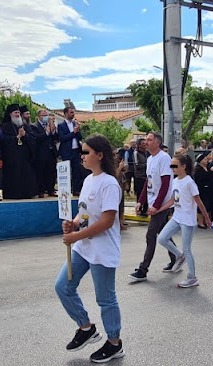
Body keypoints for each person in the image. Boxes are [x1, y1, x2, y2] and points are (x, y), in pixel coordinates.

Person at [55, 134, 125, 363]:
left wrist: (76, 235)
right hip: (84, 247)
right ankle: (86, 328)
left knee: (105, 299)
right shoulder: (88, 180)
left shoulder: (109, 184)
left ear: (100, 155)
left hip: (102, 250)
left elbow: (106, 221)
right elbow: (84, 213)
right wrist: (74, 223)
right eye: (82, 152)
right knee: (63, 286)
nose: (82, 156)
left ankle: (114, 343)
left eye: (86, 152)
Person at [156, 154, 212, 288]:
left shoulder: (189, 182)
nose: (172, 168)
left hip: (188, 220)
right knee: (162, 238)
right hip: (177, 217)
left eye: (174, 165)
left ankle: (192, 278)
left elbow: (199, 202)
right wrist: (159, 209)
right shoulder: (175, 181)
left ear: (183, 166)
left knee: (187, 249)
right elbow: (172, 200)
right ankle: (179, 256)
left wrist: (207, 219)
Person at [128, 132, 177, 281]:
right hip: (153, 202)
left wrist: (156, 206)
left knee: (151, 235)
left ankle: (143, 269)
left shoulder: (164, 158)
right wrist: (140, 201)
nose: (146, 142)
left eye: (149, 140)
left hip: (162, 204)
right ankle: (176, 256)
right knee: (164, 233)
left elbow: (166, 183)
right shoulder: (150, 159)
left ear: (157, 142)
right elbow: (147, 183)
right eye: (146, 140)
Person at [0, 104, 37, 199]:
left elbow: (33, 140)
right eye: (15, 113)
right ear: (10, 114)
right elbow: (4, 141)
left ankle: (27, 193)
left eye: (19, 113)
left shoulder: (25, 126)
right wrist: (17, 137)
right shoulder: (5, 126)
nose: (17, 115)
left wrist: (25, 135)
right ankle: (12, 194)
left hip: (24, 157)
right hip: (12, 158)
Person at [31, 109, 59, 198]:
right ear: (39, 116)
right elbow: (36, 138)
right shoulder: (34, 126)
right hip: (40, 153)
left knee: (51, 172)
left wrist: (53, 130)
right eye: (43, 115)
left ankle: (51, 189)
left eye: (46, 115)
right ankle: (41, 190)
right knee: (41, 172)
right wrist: (46, 133)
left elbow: (56, 138)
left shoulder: (50, 125)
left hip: (51, 152)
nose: (46, 117)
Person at [58, 107, 84, 195]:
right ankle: (66, 190)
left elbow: (80, 137)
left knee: (77, 171)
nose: (73, 114)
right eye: (71, 112)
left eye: (73, 112)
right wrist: (73, 133)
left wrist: (77, 131)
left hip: (76, 151)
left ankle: (76, 190)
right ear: (65, 114)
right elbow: (62, 138)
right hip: (67, 152)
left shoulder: (75, 124)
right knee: (67, 172)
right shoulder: (61, 125)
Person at [194, 151, 212, 228]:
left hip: (208, 189)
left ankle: (206, 221)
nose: (206, 161)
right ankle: (200, 222)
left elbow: (210, 177)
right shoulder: (198, 170)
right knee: (201, 206)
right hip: (201, 189)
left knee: (207, 205)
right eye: (204, 159)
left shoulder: (208, 168)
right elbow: (199, 179)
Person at [133, 138, 149, 216]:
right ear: (139, 144)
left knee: (146, 193)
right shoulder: (136, 153)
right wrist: (147, 165)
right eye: (143, 143)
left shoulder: (146, 152)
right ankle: (139, 209)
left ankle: (145, 209)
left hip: (146, 176)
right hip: (139, 176)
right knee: (140, 193)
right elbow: (137, 165)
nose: (144, 144)